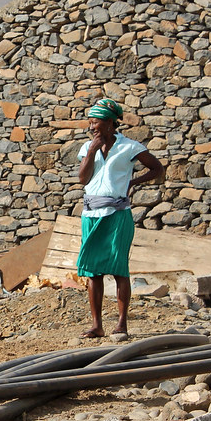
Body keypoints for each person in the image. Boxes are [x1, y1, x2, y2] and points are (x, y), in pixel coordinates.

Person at [77, 98, 165, 338]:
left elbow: (157, 168)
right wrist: (92, 151)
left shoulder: (129, 147)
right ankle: (97, 325)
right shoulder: (87, 148)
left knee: (119, 269)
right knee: (93, 271)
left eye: (96, 122)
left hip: (117, 215)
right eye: (91, 122)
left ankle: (122, 323)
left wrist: (132, 182)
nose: (92, 126)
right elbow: (83, 179)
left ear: (109, 123)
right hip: (91, 214)